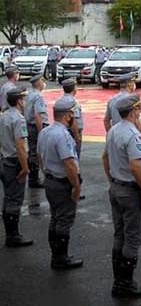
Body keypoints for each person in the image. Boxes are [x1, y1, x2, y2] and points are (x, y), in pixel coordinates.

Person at [103, 93, 141, 298]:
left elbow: (105, 158)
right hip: (130, 191)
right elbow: (136, 166)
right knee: (132, 238)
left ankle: (119, 281)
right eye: (139, 109)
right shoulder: (133, 135)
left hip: (116, 186)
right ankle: (126, 283)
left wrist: (112, 180)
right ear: (133, 111)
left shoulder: (114, 130)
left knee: (119, 234)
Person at [38, 96, 83, 270]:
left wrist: (46, 174)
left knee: (55, 218)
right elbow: (69, 164)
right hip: (62, 183)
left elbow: (40, 157)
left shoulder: (46, 131)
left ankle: (56, 255)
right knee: (64, 220)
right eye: (73, 114)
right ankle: (60, 258)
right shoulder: (62, 135)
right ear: (68, 116)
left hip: (50, 180)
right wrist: (76, 187)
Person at [0, 88, 33, 247]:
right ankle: (13, 235)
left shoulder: (3, 116)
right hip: (15, 162)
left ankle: (10, 232)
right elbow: (20, 146)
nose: (24, 102)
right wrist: (25, 167)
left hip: (4, 159)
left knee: (8, 197)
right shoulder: (18, 119)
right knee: (15, 198)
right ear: (19, 101)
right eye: (23, 99)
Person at [24, 74, 48, 188]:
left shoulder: (29, 94)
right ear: (39, 83)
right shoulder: (38, 97)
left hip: (29, 126)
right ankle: (34, 179)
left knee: (32, 151)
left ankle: (33, 178)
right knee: (36, 153)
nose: (44, 83)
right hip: (35, 127)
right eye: (42, 81)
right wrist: (42, 132)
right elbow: (38, 115)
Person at [59, 79, 83, 159]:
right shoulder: (72, 102)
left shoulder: (60, 100)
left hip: (62, 130)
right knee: (74, 156)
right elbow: (74, 120)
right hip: (72, 132)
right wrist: (76, 136)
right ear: (73, 89)